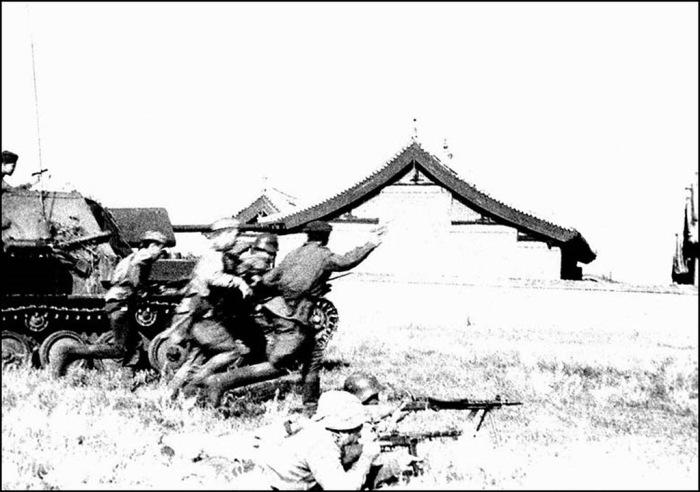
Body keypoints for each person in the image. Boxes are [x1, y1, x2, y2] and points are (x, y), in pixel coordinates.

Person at [202, 220, 385, 413]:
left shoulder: (294, 254)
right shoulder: (324, 256)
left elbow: (269, 279)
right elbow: (347, 261)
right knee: (280, 364)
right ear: (326, 237)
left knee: (313, 357)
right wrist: (371, 243)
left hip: (287, 314)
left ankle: (311, 407)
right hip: (294, 316)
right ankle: (220, 381)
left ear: (308, 236)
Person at [52, 230, 168, 377]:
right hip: (121, 303)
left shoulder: (131, 257)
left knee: (135, 343)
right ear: (151, 245)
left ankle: (128, 376)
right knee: (118, 349)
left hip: (118, 300)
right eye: (159, 246)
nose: (161, 251)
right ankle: (69, 351)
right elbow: (135, 271)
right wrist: (141, 288)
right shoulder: (143, 256)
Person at [165, 217, 258, 399]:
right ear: (225, 234)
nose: (236, 239)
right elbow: (213, 277)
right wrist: (239, 282)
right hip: (204, 316)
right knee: (233, 351)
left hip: (194, 315)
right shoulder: (214, 255)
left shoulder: (213, 254)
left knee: (196, 357)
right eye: (235, 235)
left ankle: (169, 394)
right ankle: (194, 384)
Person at [260, 390, 380, 490]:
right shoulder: (322, 444)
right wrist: (366, 459)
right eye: (358, 429)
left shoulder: (317, 428)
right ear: (345, 431)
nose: (360, 435)